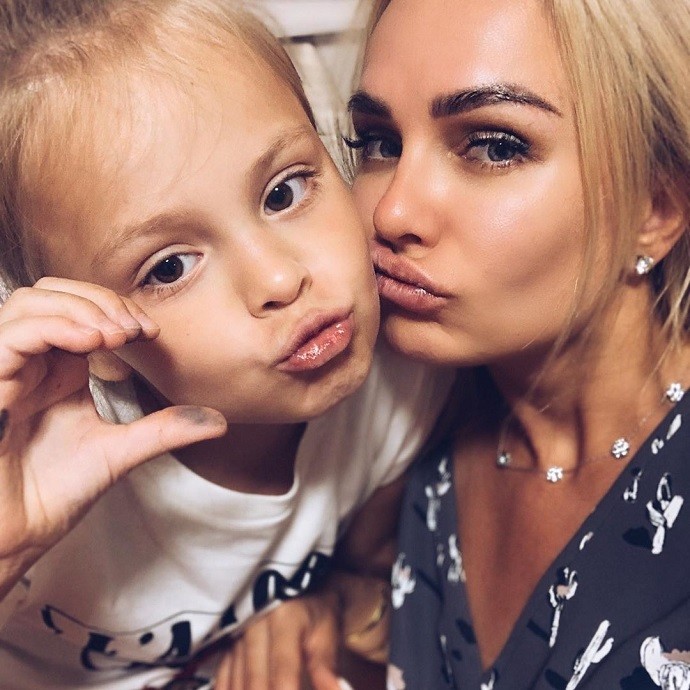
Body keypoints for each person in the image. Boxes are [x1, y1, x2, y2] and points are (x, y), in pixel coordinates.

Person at [0, 1, 449, 688]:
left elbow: (368, 570)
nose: (280, 279)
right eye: (169, 268)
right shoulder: (32, 463)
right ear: (93, 342)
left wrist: (322, 609)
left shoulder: (404, 384)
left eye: (284, 193)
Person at [342, 0, 690, 688]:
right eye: (379, 142)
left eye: (495, 146)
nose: (392, 210)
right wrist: (314, 613)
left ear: (654, 209)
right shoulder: (404, 433)